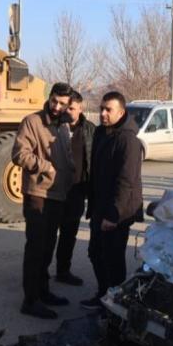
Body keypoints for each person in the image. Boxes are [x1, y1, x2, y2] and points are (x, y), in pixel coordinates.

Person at [12, 82, 75, 319]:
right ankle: (30, 300)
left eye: (62, 104)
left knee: (48, 247)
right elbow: (19, 154)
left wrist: (70, 172)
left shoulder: (63, 125)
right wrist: (45, 167)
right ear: (49, 98)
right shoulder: (32, 121)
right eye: (54, 101)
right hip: (37, 193)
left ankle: (43, 291)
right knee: (36, 248)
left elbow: (66, 156)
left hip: (57, 195)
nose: (57, 107)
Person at [81, 91, 144, 311]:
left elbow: (127, 181)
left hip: (119, 210)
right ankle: (103, 294)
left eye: (109, 110)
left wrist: (113, 215)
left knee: (113, 259)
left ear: (121, 112)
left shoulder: (129, 140)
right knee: (95, 253)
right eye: (101, 109)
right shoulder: (101, 133)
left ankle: (116, 305)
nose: (103, 113)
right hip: (101, 205)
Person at [53, 90, 95, 287]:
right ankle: (40, 274)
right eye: (66, 107)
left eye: (72, 108)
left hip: (76, 191)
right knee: (47, 236)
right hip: (53, 190)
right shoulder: (54, 126)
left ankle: (63, 271)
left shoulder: (90, 129)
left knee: (69, 235)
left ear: (80, 108)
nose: (67, 111)